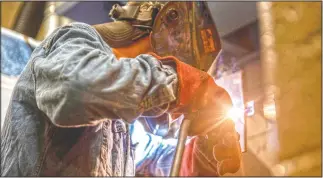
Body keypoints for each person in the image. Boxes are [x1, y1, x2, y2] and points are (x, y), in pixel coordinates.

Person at [1, 2, 241, 176]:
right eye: (176, 65)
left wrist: (200, 155)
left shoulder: (121, 125)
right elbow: (75, 88)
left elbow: (160, 159)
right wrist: (178, 82)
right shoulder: (74, 40)